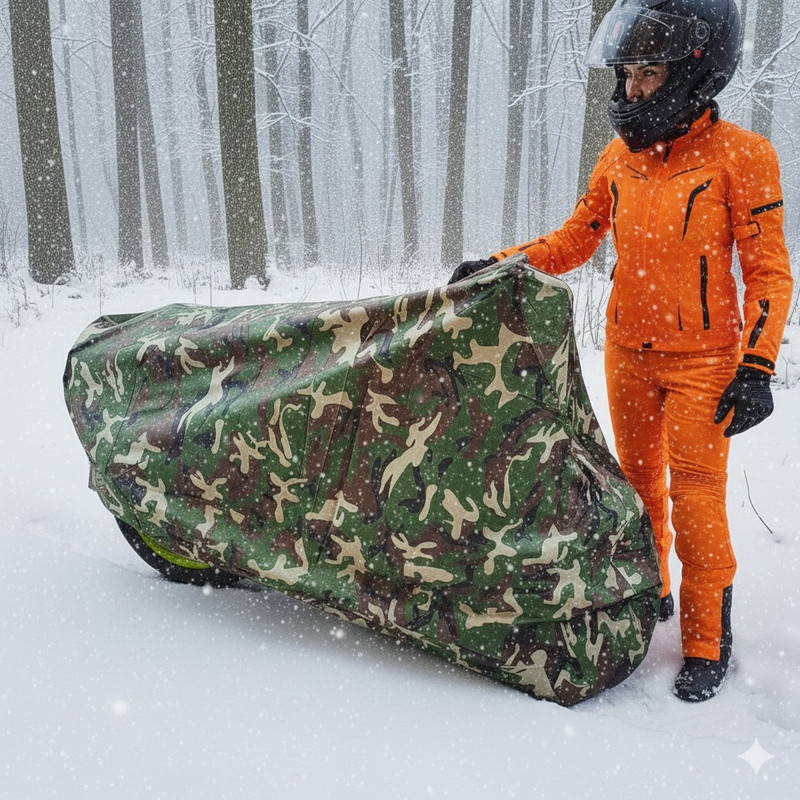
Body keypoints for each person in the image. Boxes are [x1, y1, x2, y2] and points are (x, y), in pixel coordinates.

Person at [452, 0, 793, 701]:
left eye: (648, 74)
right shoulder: (618, 157)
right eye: (627, 73)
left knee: (696, 503)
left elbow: (769, 272)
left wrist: (757, 364)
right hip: (627, 353)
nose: (632, 89)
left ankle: (707, 641)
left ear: (695, 71)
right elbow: (575, 239)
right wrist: (502, 264)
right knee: (635, 493)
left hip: (704, 361)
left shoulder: (744, 157)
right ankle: (648, 593)